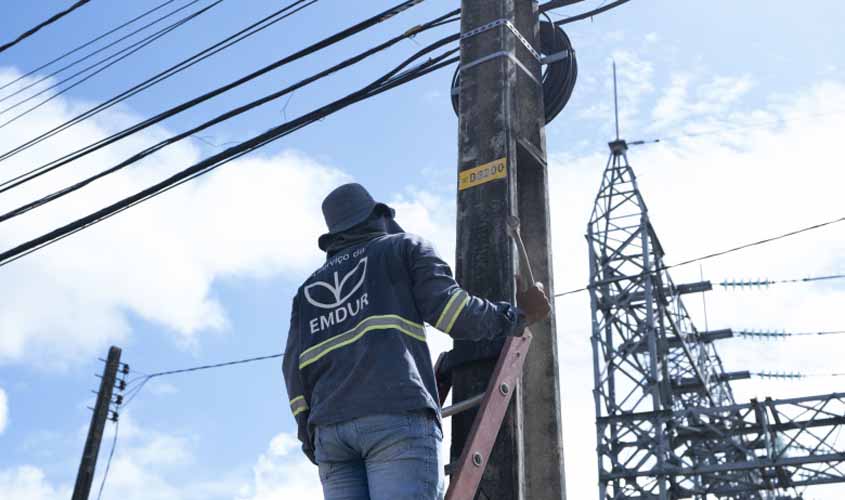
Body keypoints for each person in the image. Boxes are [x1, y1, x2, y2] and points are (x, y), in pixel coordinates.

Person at [283, 183, 551, 500]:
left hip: (331, 434)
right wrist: (517, 316)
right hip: (394, 414)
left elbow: (293, 371)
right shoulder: (403, 248)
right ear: (378, 216)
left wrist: (309, 433)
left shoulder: (307, 292)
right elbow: (454, 315)